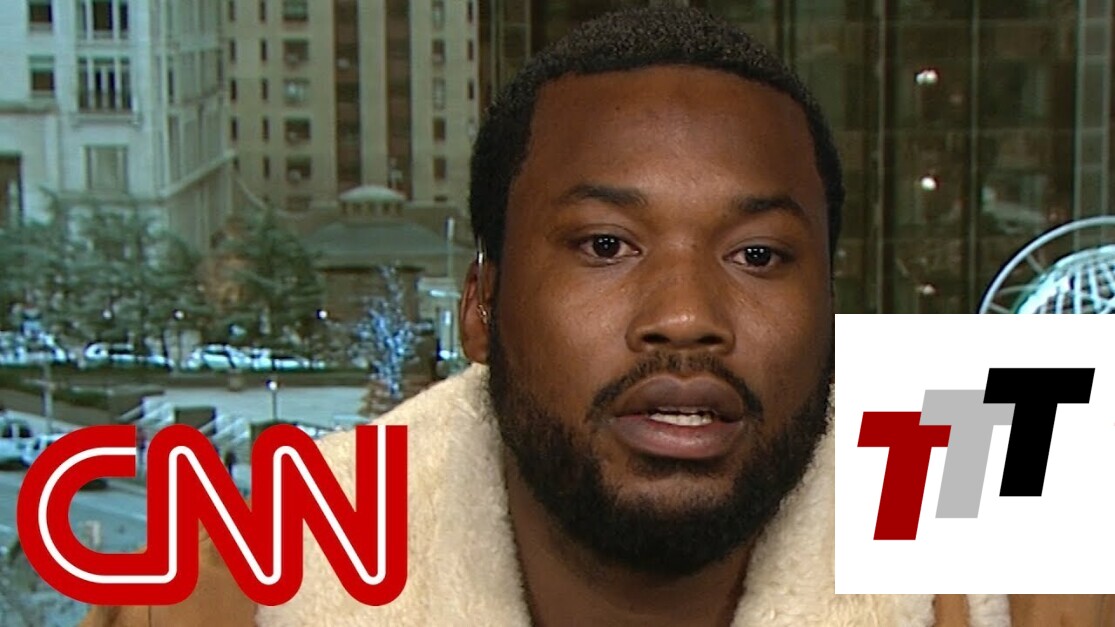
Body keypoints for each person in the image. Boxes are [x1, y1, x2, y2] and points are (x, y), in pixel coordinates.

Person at [83, 7, 1110, 626]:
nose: (685, 317)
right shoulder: (246, 585)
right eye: (604, 246)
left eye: (757, 255)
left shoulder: (1016, 520)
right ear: (480, 308)